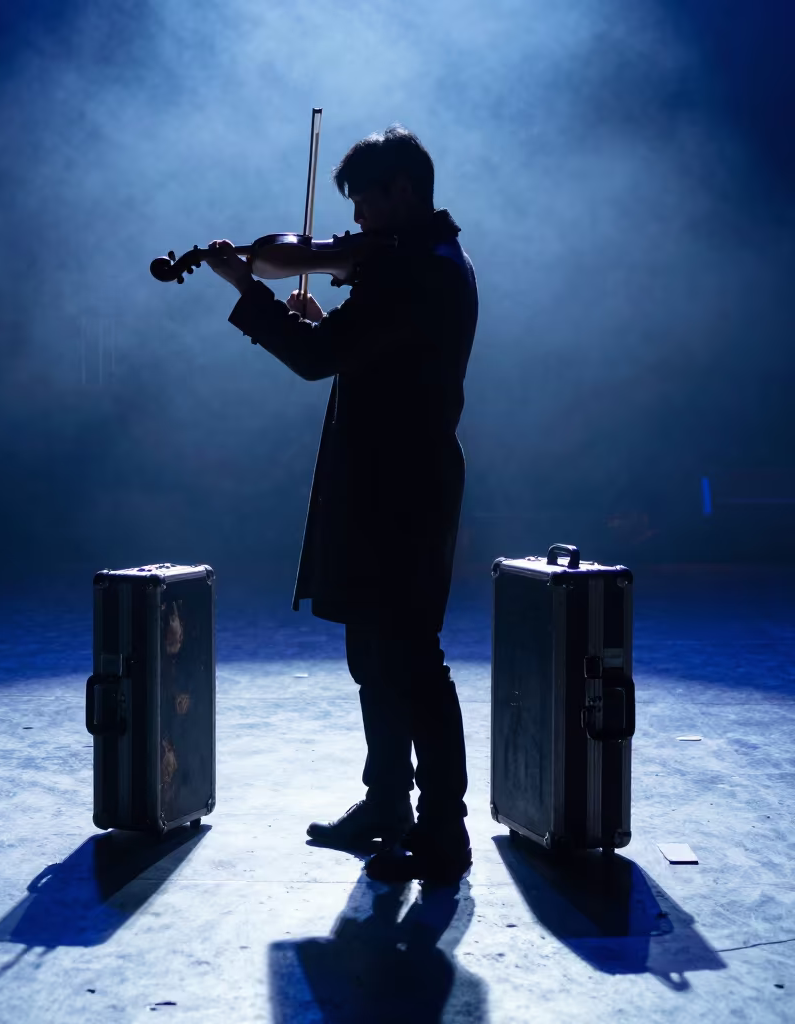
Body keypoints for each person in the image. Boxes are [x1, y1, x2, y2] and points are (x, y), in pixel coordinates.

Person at [207, 125, 478, 885]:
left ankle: (444, 830)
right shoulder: (407, 264)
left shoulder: (418, 270)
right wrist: (328, 323)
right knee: (375, 658)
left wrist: (248, 290)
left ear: (403, 191)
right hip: (385, 486)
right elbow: (359, 352)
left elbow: (317, 362)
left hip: (405, 493)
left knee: (412, 662)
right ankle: (387, 805)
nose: (352, 224)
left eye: (364, 201)